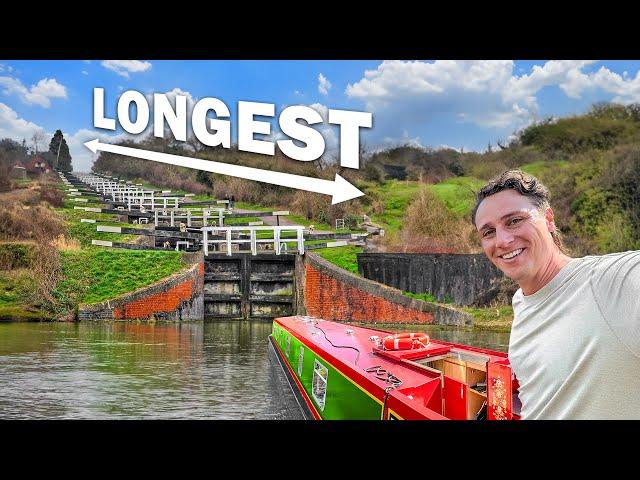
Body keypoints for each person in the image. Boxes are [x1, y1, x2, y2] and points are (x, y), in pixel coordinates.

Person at [472, 169, 640, 419]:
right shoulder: (522, 301)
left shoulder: (610, 281)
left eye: (514, 220)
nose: (502, 240)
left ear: (548, 219)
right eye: (488, 232)